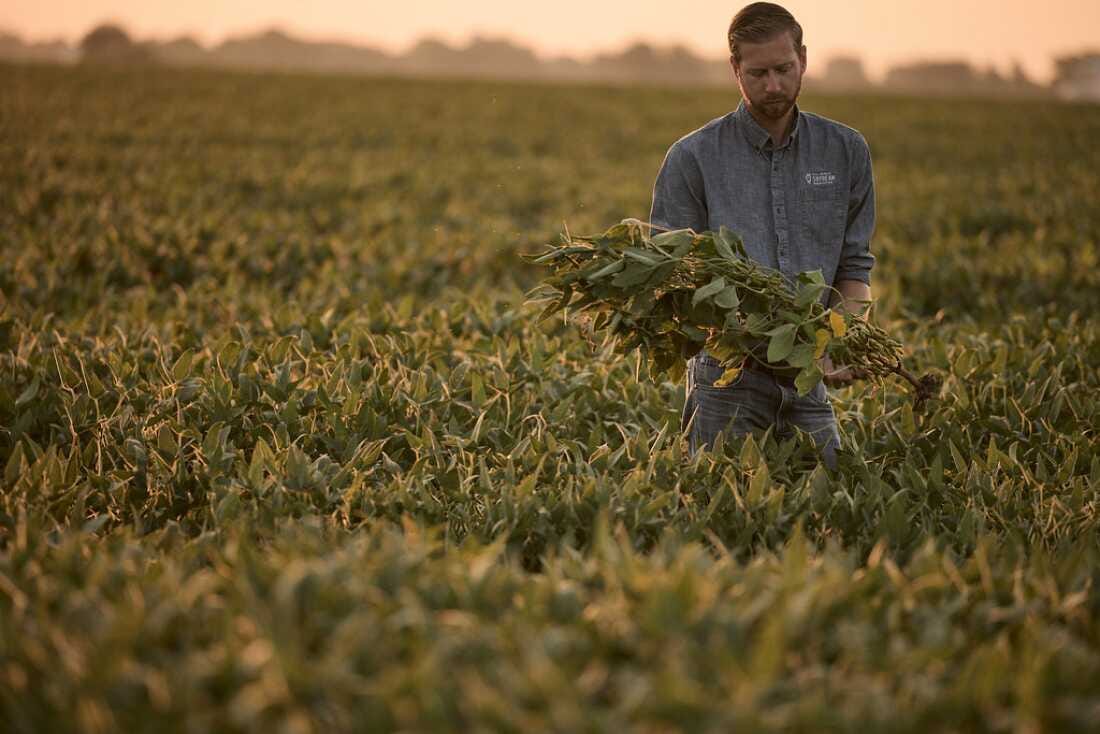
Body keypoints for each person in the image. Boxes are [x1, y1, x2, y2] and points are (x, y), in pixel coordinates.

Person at [649, 2, 876, 468]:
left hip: (807, 377)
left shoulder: (845, 151)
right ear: (735, 69)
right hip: (726, 381)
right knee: (719, 507)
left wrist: (843, 339)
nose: (773, 85)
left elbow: (854, 267)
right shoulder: (693, 157)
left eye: (783, 69)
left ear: (804, 60)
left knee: (835, 495)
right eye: (757, 73)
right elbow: (672, 279)